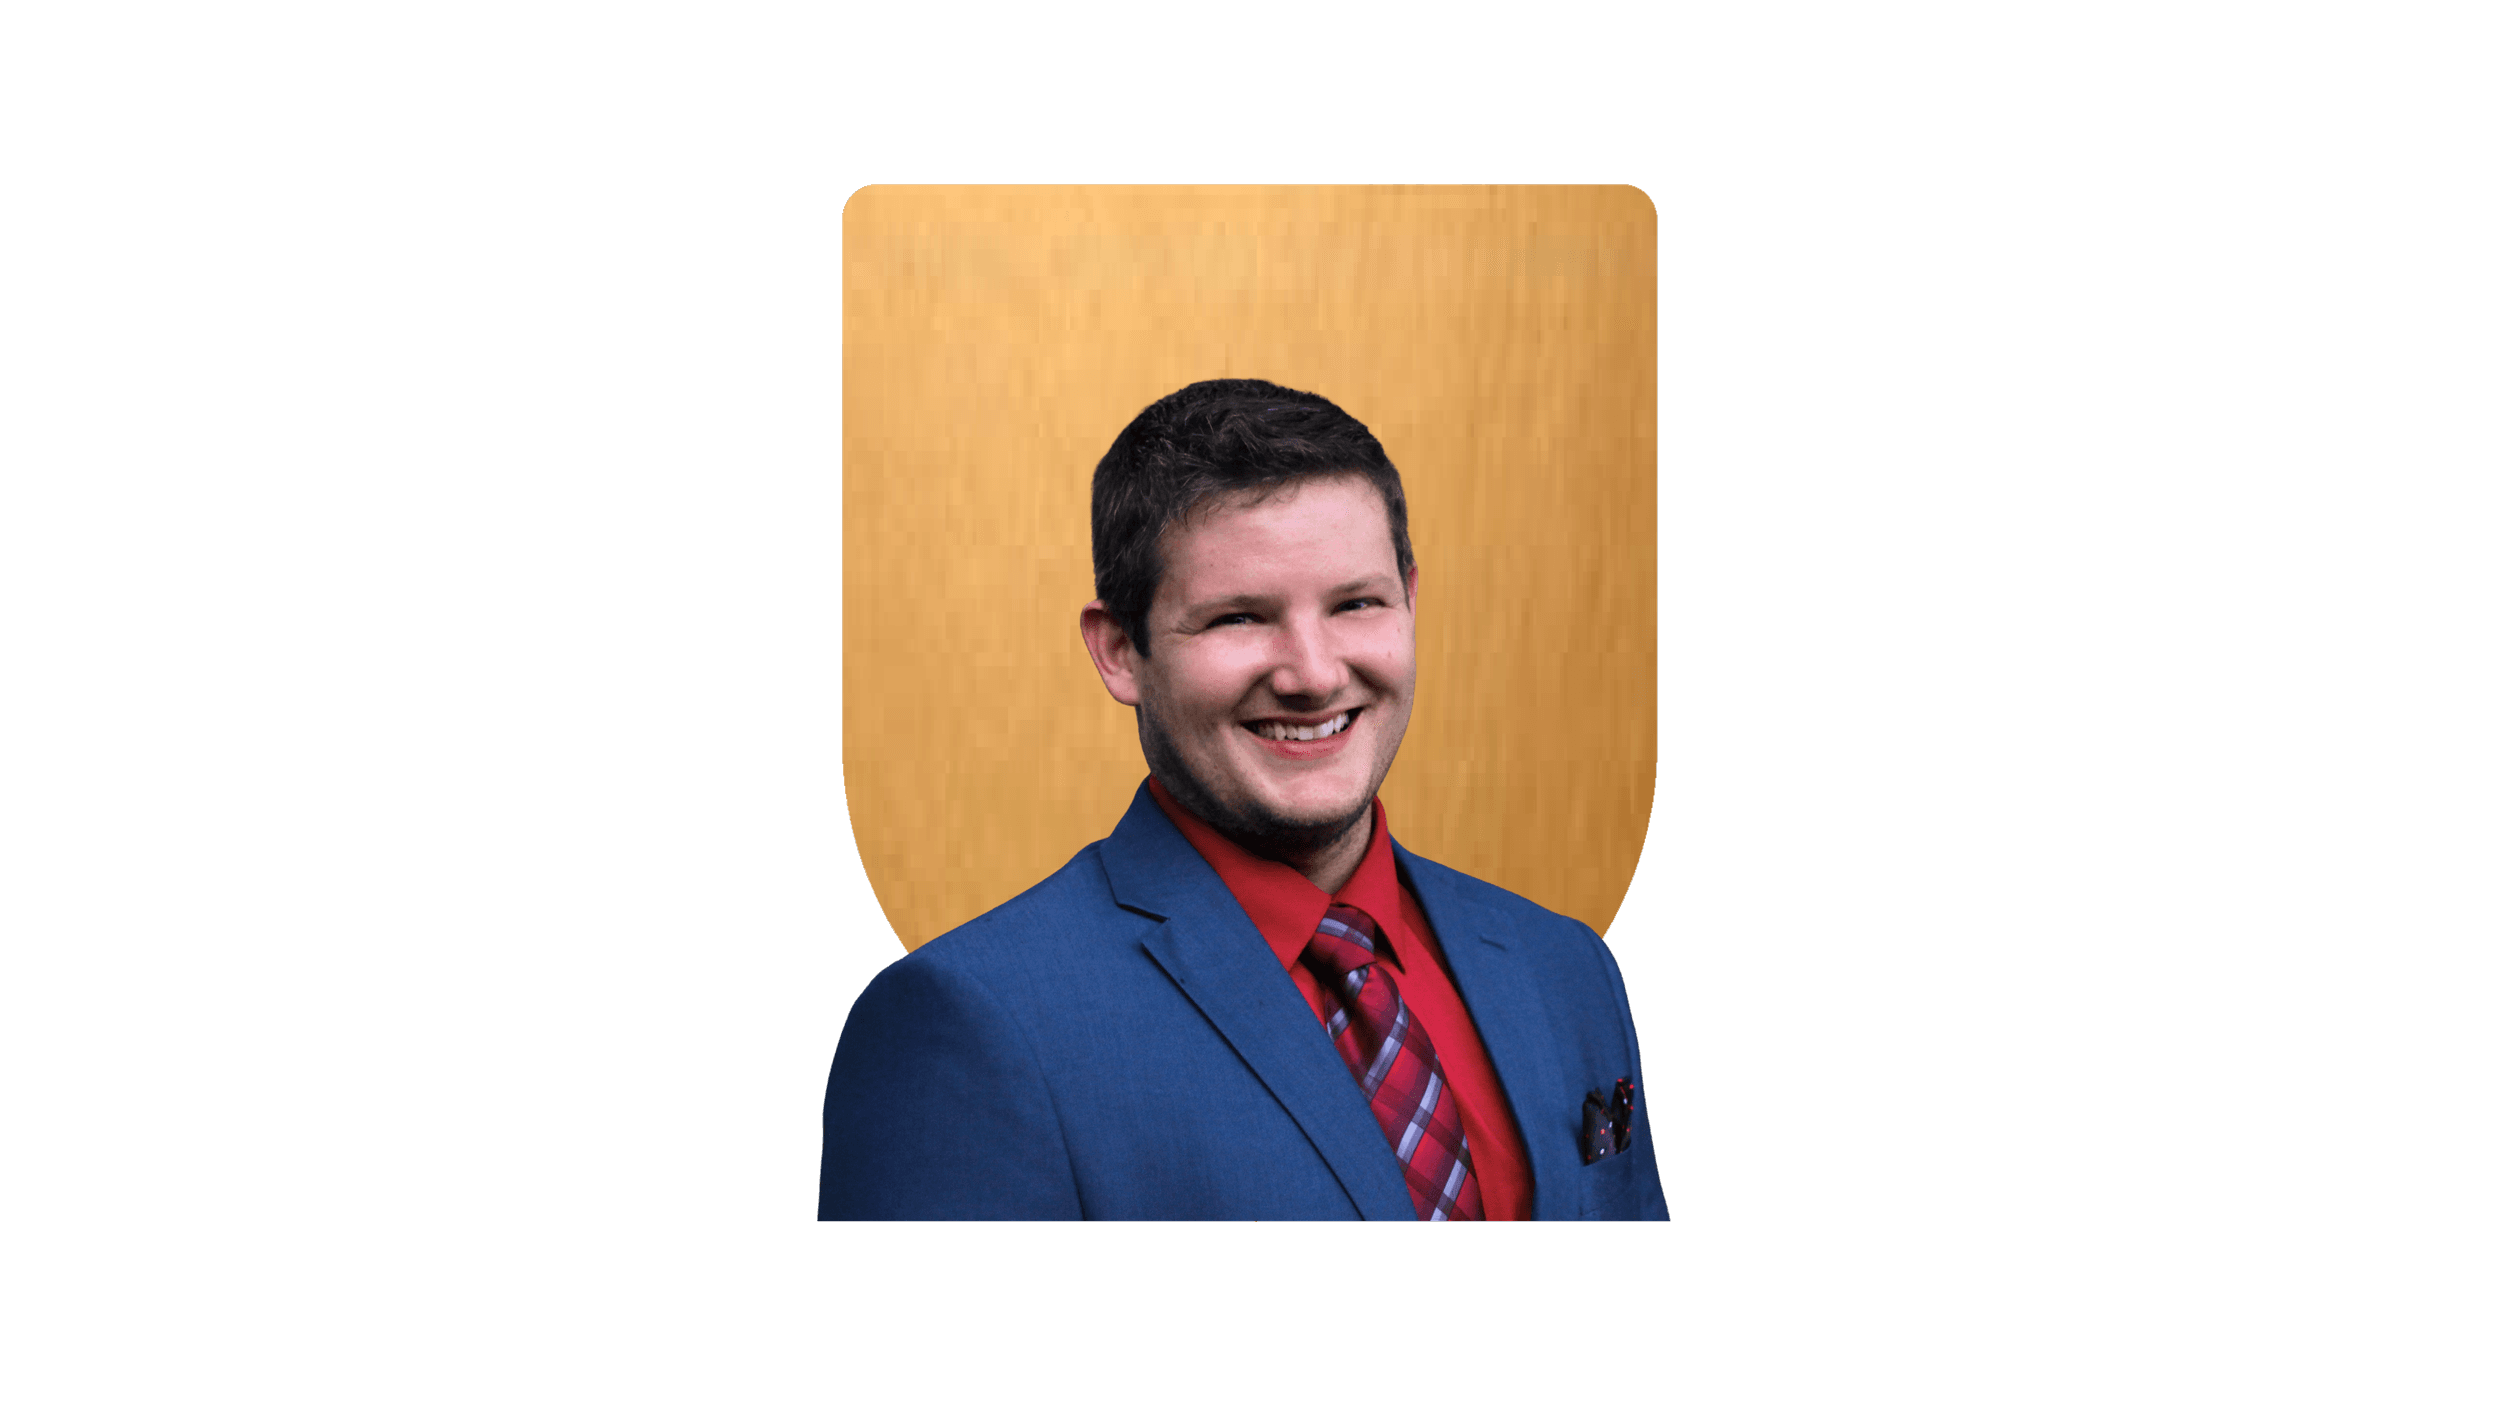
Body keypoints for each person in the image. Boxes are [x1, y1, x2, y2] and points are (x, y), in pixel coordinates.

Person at [819, 379, 1669, 1220]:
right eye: (1238, 619)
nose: (1313, 673)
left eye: (1357, 604)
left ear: (1411, 601)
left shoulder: (1567, 970)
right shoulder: (972, 1027)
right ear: (1119, 651)